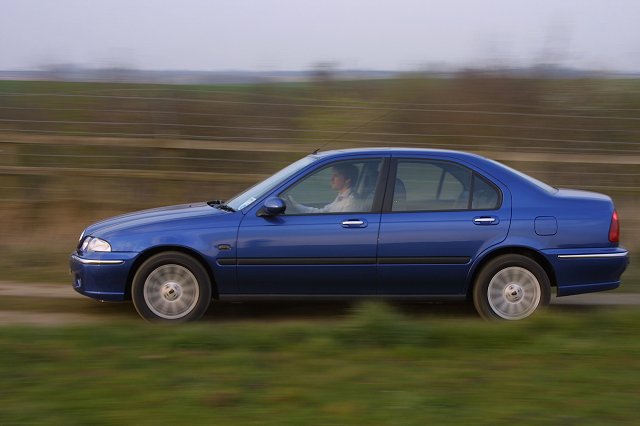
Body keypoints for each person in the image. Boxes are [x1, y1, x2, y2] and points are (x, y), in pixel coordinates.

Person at [285, 163, 363, 213]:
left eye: (336, 176)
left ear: (347, 180)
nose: (331, 179)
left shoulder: (351, 202)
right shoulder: (341, 197)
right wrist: (296, 206)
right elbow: (323, 212)